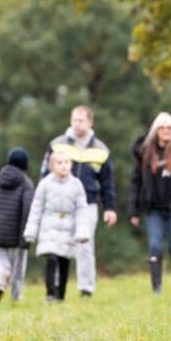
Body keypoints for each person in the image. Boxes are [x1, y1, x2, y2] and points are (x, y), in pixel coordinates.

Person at [42, 105, 117, 298]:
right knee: (58, 245)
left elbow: (107, 182)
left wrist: (109, 208)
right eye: (74, 120)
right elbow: (44, 174)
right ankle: (57, 287)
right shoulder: (57, 144)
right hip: (60, 204)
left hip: (88, 204)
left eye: (81, 120)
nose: (77, 124)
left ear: (90, 122)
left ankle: (86, 288)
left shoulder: (101, 150)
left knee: (84, 245)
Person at [129, 112, 171, 293]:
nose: (166, 131)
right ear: (155, 130)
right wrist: (133, 210)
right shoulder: (146, 152)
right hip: (153, 209)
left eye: (169, 128)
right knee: (155, 246)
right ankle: (156, 287)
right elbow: (136, 181)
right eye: (162, 127)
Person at [24, 147, 92, 302]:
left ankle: (60, 295)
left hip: (68, 228)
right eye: (59, 163)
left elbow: (82, 209)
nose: (63, 166)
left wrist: (82, 231)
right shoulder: (45, 184)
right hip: (49, 228)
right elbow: (36, 208)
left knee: (64, 262)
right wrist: (30, 231)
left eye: (67, 162)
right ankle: (50, 293)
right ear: (52, 166)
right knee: (52, 258)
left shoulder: (76, 185)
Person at [0, 147, 35, 304]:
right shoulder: (26, 184)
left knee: (0, 262)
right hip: (17, 234)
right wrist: (27, 235)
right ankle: (16, 296)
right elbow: (28, 210)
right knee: (18, 267)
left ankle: (0, 284)